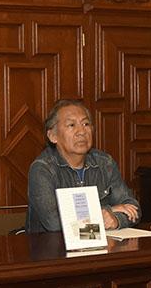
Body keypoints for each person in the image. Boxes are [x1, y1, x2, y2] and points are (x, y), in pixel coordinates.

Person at [26, 99, 140, 233]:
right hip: (51, 244)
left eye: (86, 124)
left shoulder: (104, 163)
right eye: (71, 125)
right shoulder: (42, 169)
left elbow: (133, 208)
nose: (81, 131)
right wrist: (107, 211)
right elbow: (54, 223)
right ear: (53, 136)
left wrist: (115, 220)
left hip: (101, 243)